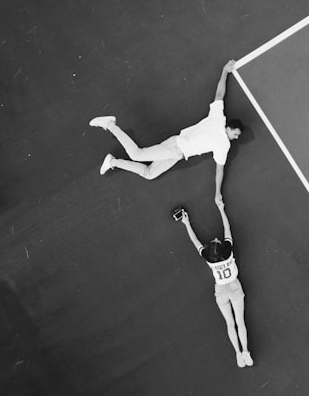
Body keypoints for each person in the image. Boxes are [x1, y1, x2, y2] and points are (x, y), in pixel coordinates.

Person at [88, 60, 241, 200]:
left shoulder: (219, 122)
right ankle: (110, 125)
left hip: (177, 153)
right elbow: (219, 170)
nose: (236, 137)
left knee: (149, 174)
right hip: (175, 147)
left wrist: (224, 71)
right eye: (236, 134)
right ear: (229, 127)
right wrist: (217, 192)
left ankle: (112, 161)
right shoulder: (221, 132)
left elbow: (219, 95)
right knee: (136, 154)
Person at [175, 198, 253, 367]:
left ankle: (238, 355)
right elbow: (227, 228)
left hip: (221, 292)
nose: (216, 238)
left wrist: (186, 223)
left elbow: (195, 242)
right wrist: (221, 209)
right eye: (216, 240)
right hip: (234, 286)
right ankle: (246, 352)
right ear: (220, 246)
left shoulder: (209, 258)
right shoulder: (227, 250)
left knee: (230, 323)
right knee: (241, 322)